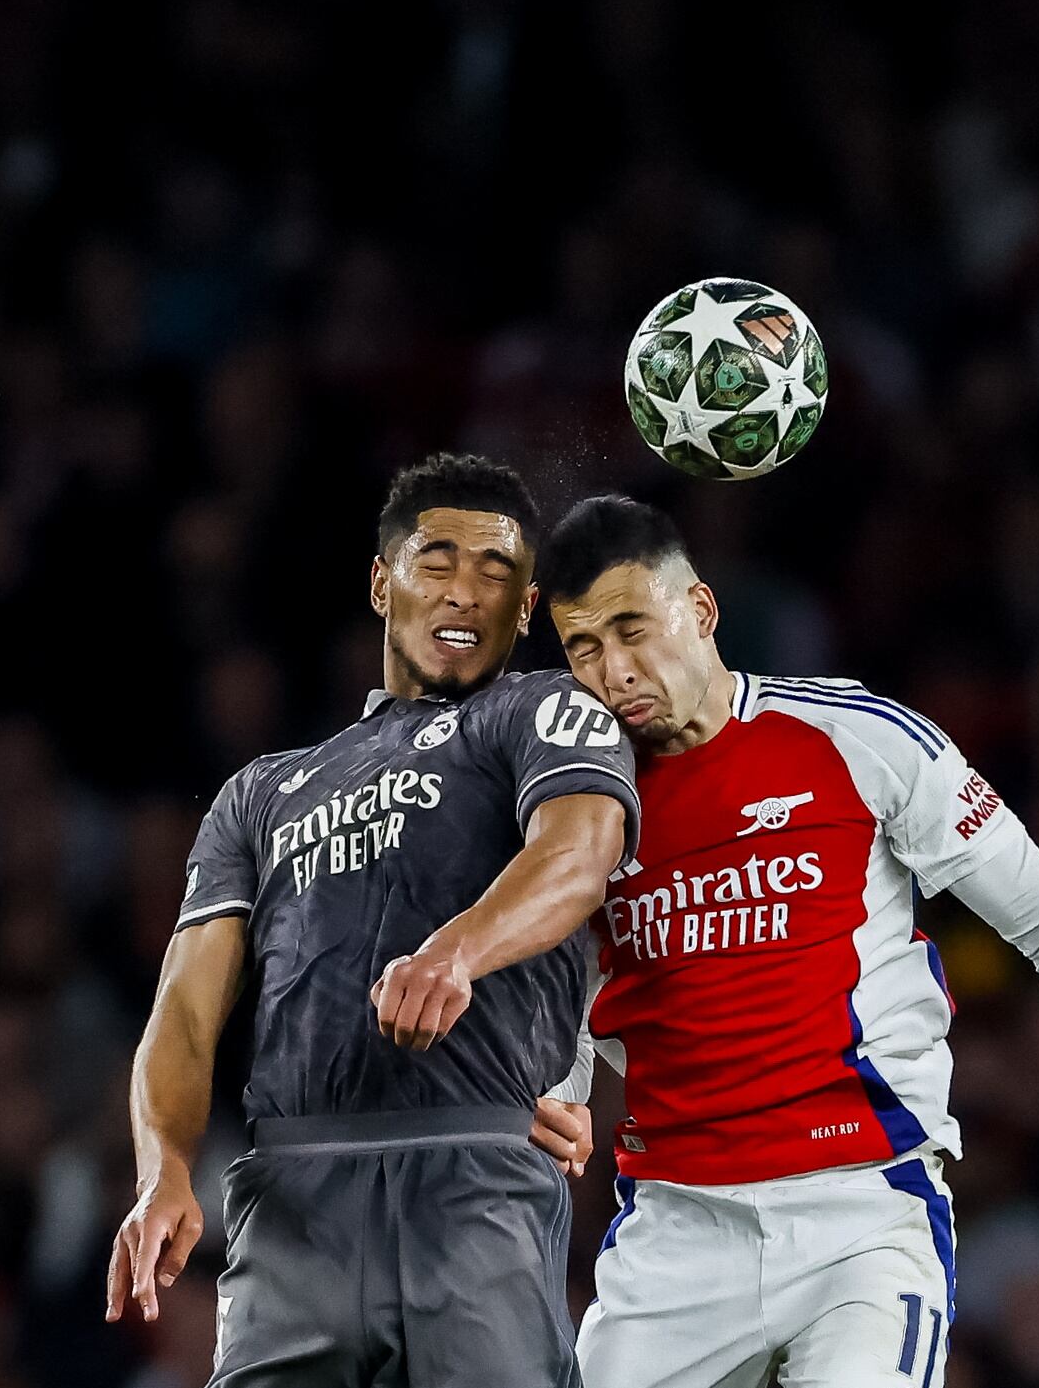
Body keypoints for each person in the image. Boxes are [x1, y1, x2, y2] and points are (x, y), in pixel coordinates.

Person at [536, 494, 1039, 1388]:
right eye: (584, 648)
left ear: (698, 609)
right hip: (674, 1232)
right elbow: (562, 959)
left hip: (862, 1214)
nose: (615, 671)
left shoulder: (857, 738)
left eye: (631, 628)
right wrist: (566, 1086)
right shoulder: (576, 802)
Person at [105, 453, 641, 1388]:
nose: (464, 591)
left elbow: (580, 855)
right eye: (437, 561)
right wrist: (163, 1169)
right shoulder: (260, 790)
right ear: (381, 581)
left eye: (496, 572)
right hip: (290, 1200)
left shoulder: (542, 710)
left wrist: (456, 951)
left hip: (473, 1164)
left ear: (526, 610)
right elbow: (186, 1008)